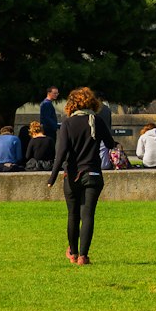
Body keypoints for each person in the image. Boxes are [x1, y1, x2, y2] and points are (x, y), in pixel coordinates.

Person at [47, 86, 115, 266]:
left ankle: (73, 252)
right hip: (93, 173)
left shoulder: (68, 124)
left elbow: (60, 153)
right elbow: (109, 143)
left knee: (73, 215)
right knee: (88, 215)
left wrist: (52, 178)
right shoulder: (97, 121)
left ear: (71, 105)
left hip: (72, 175)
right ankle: (84, 256)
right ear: (92, 102)